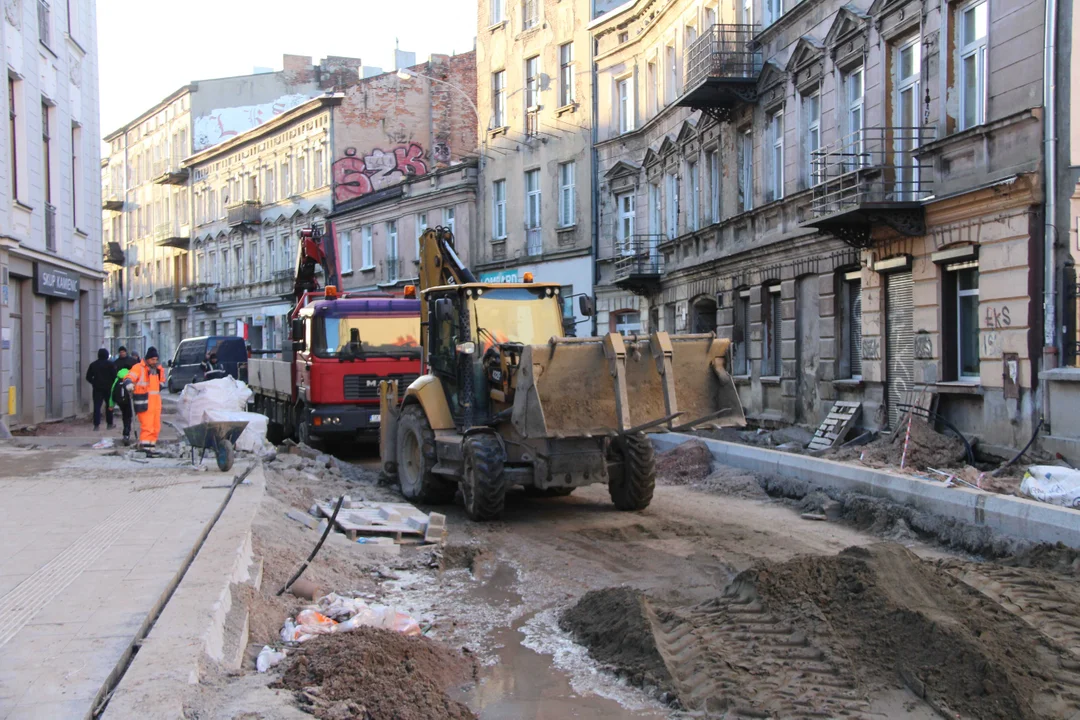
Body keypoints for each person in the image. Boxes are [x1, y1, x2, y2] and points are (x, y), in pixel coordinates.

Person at [124, 346, 166, 448]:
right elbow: (129, 377)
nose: (154, 362)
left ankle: (151, 445)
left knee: (155, 427)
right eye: (152, 359)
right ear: (147, 359)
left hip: (155, 402)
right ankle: (145, 446)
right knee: (147, 426)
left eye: (156, 359)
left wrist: (160, 385)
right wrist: (129, 383)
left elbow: (162, 381)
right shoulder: (139, 368)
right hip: (144, 401)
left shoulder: (159, 369)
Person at [86, 348, 116, 431]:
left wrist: (94, 382)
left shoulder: (93, 364)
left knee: (97, 406)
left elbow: (88, 377)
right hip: (108, 388)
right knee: (109, 406)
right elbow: (114, 376)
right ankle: (109, 424)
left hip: (97, 388)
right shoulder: (111, 364)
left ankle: (96, 425)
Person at [109, 365, 134, 445]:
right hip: (128, 400)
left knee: (125, 416)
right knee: (128, 417)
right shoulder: (130, 378)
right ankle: (126, 433)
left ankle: (125, 433)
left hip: (120, 401)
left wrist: (111, 404)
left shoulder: (117, 379)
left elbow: (112, 391)